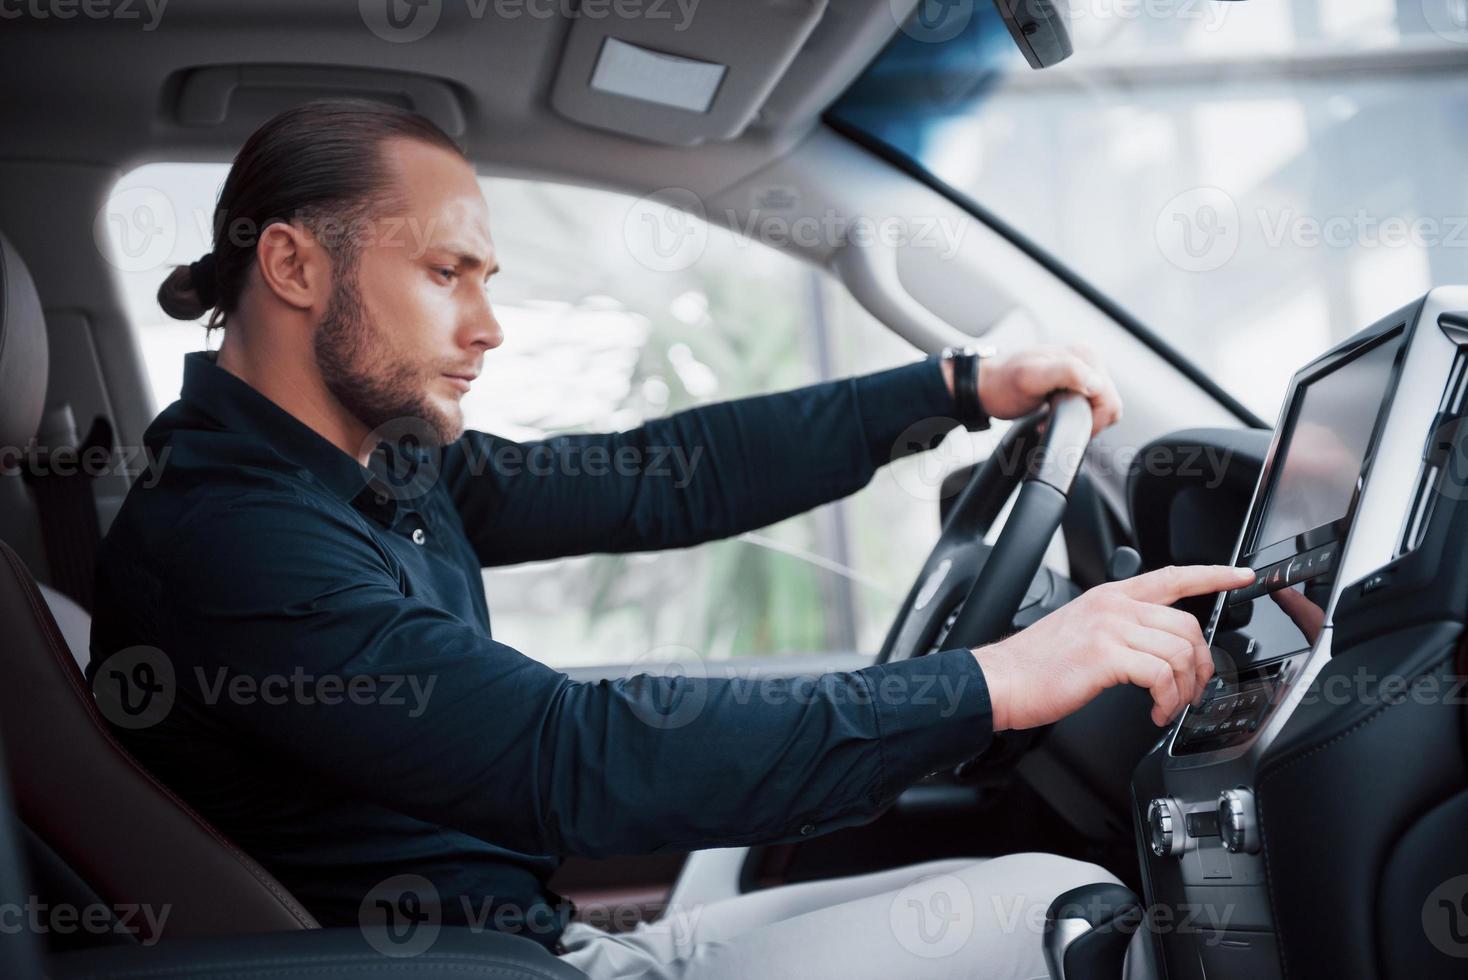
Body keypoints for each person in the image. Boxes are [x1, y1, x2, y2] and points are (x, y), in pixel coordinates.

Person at [90, 100, 1253, 980]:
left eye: (486, 278)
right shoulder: (228, 539)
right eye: (446, 273)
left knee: (1040, 881)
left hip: (536, 936)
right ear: (293, 264)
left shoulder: (377, 460)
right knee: (1066, 918)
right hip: (492, 961)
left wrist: (953, 385)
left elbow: (656, 476)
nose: (488, 326)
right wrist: (996, 680)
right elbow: (563, 754)